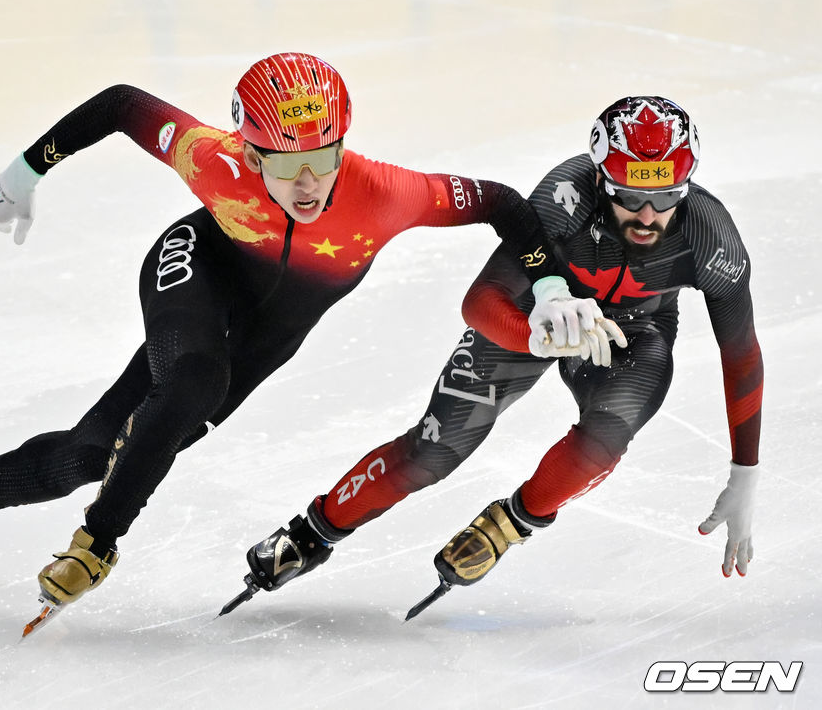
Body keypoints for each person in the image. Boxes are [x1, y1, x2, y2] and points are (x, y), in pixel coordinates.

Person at [0, 52, 546, 615]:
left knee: (90, 456)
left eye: (323, 157)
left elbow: (502, 204)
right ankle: (97, 544)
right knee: (192, 382)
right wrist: (26, 169)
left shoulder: (389, 192)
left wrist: (547, 286)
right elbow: (123, 104)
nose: (306, 183)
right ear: (248, 150)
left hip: (265, 337)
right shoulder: (212, 159)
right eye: (281, 162)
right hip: (195, 270)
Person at [238, 96, 762, 612]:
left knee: (603, 442)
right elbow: (480, 301)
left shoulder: (709, 236)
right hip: (537, 312)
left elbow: (739, 354)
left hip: (631, 334)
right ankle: (311, 532)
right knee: (430, 452)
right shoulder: (566, 196)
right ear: (601, 179)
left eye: (668, 196)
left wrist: (746, 472)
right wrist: (536, 333)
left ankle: (510, 524)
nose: (649, 215)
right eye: (630, 194)